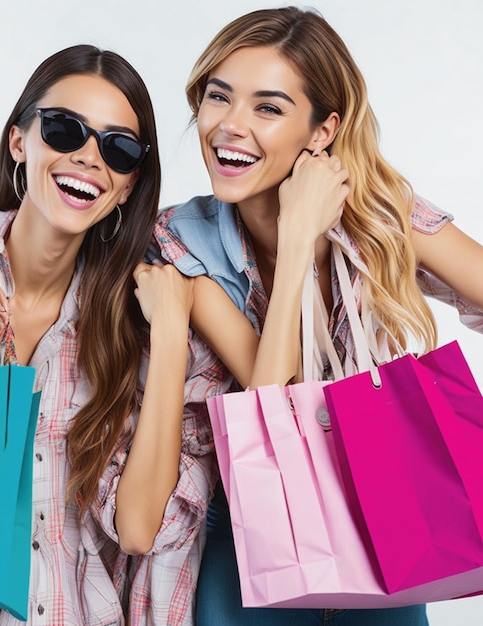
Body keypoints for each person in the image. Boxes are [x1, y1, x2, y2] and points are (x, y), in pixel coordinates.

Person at [0, 44, 231, 625]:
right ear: (18, 141)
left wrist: (172, 335)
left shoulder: (126, 322)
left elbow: (136, 530)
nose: (88, 157)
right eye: (63, 129)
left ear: (129, 185)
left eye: (118, 148)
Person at [152, 6, 483, 626]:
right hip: (254, 534)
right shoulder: (181, 240)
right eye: (218, 97)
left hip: (386, 513)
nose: (229, 126)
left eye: (268, 108)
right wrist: (301, 237)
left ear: (321, 131)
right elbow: (266, 407)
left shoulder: (377, 211)